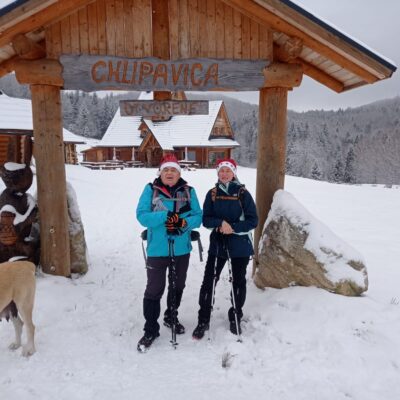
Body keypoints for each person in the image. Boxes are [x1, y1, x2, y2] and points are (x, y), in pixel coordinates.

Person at [136, 154, 202, 352]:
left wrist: (182, 222)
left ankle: (171, 316)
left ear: (179, 173)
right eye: (166, 170)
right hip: (157, 249)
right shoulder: (151, 190)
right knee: (154, 288)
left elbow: (198, 216)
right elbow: (142, 215)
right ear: (160, 173)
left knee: (177, 285)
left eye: (173, 170)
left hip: (181, 248)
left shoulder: (189, 191)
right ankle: (150, 329)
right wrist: (165, 216)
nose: (170, 173)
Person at [192, 158, 258, 339]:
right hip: (218, 243)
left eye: (228, 171)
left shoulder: (243, 194)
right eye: (221, 170)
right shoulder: (212, 193)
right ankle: (203, 319)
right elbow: (206, 219)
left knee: (238, 282)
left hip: (240, 245)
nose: (224, 174)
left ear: (234, 173)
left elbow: (253, 220)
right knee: (209, 281)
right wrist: (220, 223)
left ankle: (235, 316)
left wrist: (233, 227)